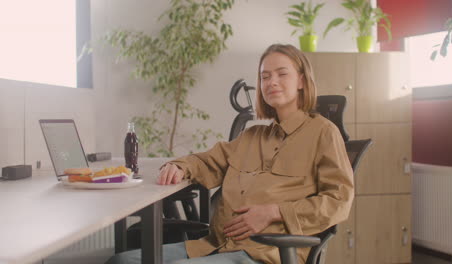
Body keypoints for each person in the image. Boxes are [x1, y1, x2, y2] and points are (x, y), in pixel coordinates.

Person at [105, 44, 354, 264]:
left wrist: (275, 212)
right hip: (216, 246)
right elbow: (206, 161)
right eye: (264, 76)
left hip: (268, 254)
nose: (271, 82)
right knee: (121, 260)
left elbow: (338, 201)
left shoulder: (323, 133)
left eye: (281, 73)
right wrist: (180, 166)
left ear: (301, 80)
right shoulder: (252, 137)